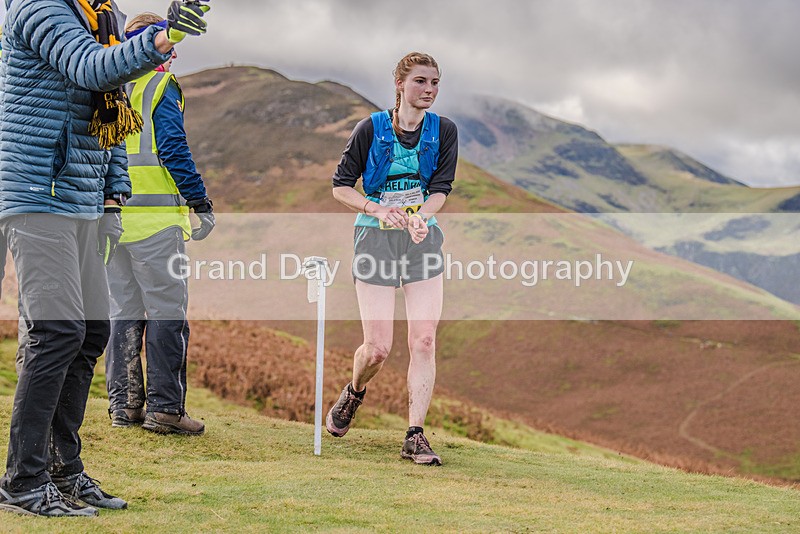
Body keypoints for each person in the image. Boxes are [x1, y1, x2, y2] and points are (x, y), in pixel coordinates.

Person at [0, 0, 211, 518]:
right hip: (37, 193)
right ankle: (22, 481)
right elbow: (91, 68)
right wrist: (160, 39)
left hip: (83, 200)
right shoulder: (41, 6)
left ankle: (63, 471)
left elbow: (111, 114)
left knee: (92, 330)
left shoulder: (100, 14)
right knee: (57, 331)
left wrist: (114, 195)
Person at [327, 52, 458, 465]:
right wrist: (378, 209)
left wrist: (421, 218)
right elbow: (340, 186)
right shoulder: (370, 128)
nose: (429, 89)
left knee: (424, 340)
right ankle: (354, 392)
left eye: (435, 82)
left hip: (421, 240)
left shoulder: (444, 131)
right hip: (375, 240)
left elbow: (441, 189)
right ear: (400, 84)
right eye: (421, 81)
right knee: (378, 349)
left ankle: (415, 435)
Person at [104, 12, 214, 436]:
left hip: (112, 221)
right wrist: (199, 201)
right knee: (168, 312)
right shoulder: (160, 84)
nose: (173, 55)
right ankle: (166, 409)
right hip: (155, 224)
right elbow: (172, 147)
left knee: (123, 312)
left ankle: (124, 406)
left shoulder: (108, 86)